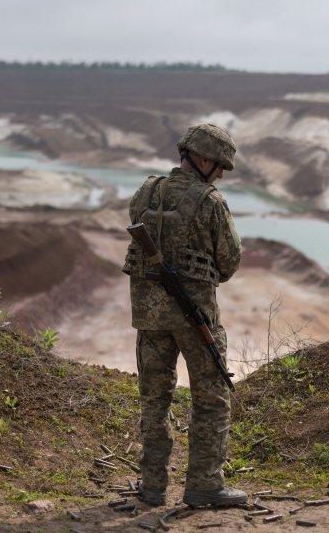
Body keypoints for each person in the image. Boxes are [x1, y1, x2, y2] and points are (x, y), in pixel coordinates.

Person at [122, 123, 247, 507]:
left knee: (154, 400)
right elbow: (228, 262)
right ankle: (205, 484)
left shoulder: (144, 191)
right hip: (195, 320)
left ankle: (153, 487)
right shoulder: (211, 203)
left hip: (149, 317)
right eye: (220, 165)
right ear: (204, 159)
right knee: (211, 399)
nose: (222, 174)